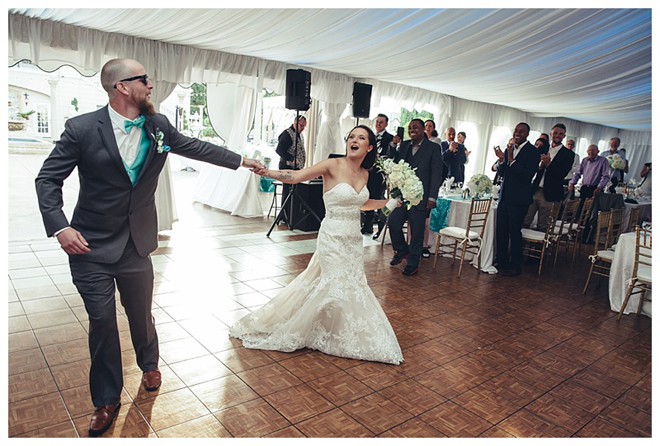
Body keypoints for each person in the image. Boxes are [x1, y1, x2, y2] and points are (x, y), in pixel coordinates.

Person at [34, 58, 263, 437]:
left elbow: (195, 147)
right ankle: (106, 399)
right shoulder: (81, 129)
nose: (150, 84)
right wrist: (60, 227)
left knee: (140, 315)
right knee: (102, 322)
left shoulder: (158, 126)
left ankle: (149, 363)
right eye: (143, 79)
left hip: (136, 244)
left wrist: (241, 161)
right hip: (89, 246)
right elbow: (47, 180)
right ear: (121, 87)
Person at [230, 125, 403, 365]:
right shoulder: (332, 165)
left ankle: (338, 331)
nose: (353, 140)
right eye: (351, 136)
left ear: (369, 147)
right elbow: (296, 176)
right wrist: (267, 172)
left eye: (361, 137)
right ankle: (320, 331)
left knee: (351, 284)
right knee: (334, 283)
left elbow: (360, 204)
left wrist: (389, 202)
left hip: (353, 240)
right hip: (332, 236)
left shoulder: (364, 174)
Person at [388, 119, 444, 276]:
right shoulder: (404, 145)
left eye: (416, 127)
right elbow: (393, 162)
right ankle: (402, 250)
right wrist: (393, 145)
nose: (412, 130)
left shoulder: (433, 148)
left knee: (417, 232)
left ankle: (413, 263)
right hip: (402, 196)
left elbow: (436, 174)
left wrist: (432, 197)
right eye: (410, 128)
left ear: (423, 129)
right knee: (393, 222)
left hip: (421, 197)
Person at [494, 122, 540, 277]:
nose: (517, 134)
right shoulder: (510, 148)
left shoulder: (533, 152)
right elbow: (502, 173)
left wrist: (512, 161)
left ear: (527, 134)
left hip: (519, 199)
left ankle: (515, 264)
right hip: (504, 196)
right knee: (501, 231)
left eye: (521, 131)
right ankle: (501, 260)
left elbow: (528, 175)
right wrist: (502, 160)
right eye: (516, 131)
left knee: (514, 232)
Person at [523, 123, 575, 232]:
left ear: (564, 136)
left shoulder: (568, 154)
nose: (557, 135)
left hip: (551, 193)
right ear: (551, 134)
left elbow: (562, 174)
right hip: (535, 190)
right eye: (555, 133)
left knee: (543, 226)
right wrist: (540, 165)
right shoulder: (542, 148)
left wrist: (549, 164)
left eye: (560, 134)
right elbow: (531, 167)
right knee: (524, 220)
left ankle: (539, 243)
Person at [362, 113, 394, 236]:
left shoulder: (390, 138)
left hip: (380, 175)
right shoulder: (370, 137)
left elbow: (390, 155)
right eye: (377, 121)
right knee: (367, 197)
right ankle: (367, 226)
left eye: (381, 122)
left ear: (386, 124)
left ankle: (381, 229)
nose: (378, 124)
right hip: (368, 173)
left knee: (379, 199)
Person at [275, 115, 307, 224]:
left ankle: (292, 216)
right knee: (287, 191)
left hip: (296, 168)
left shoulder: (299, 134)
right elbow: (279, 150)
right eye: (301, 126)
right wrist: (292, 159)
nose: (302, 128)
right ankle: (284, 216)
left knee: (295, 191)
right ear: (295, 123)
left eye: (304, 126)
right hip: (287, 167)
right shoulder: (287, 134)